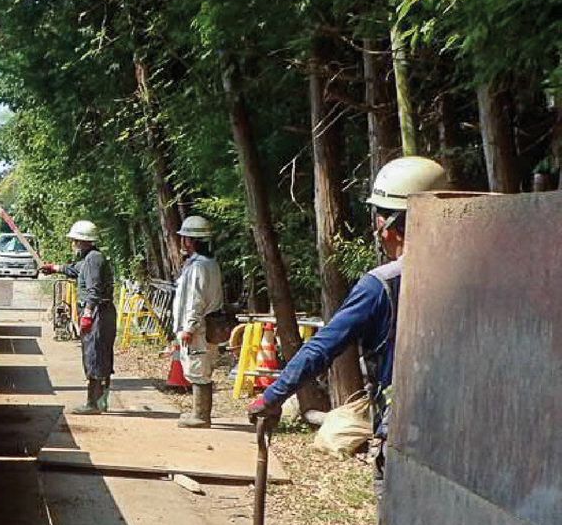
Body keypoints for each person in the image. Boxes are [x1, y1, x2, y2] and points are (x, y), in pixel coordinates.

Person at [247, 155, 451, 495]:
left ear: (393, 223)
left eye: (379, 217)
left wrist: (272, 395)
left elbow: (323, 346)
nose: (375, 227)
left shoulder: (381, 285)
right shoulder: (475, 273)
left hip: (407, 430)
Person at [42, 220, 116, 414]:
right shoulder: (91, 258)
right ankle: (101, 401)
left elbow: (94, 289)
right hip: (102, 312)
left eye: (74, 240)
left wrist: (88, 313)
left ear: (81, 241)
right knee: (100, 355)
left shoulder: (93, 259)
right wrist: (55, 268)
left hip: (98, 312)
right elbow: (76, 270)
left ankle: (94, 403)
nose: (72, 244)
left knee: (94, 356)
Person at [172, 214, 224, 428]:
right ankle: (197, 411)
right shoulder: (207, 264)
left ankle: (201, 416)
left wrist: (189, 327)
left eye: (185, 238)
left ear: (191, 241)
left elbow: (195, 299)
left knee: (198, 367)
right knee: (199, 366)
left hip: (199, 327)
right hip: (205, 325)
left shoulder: (199, 267)